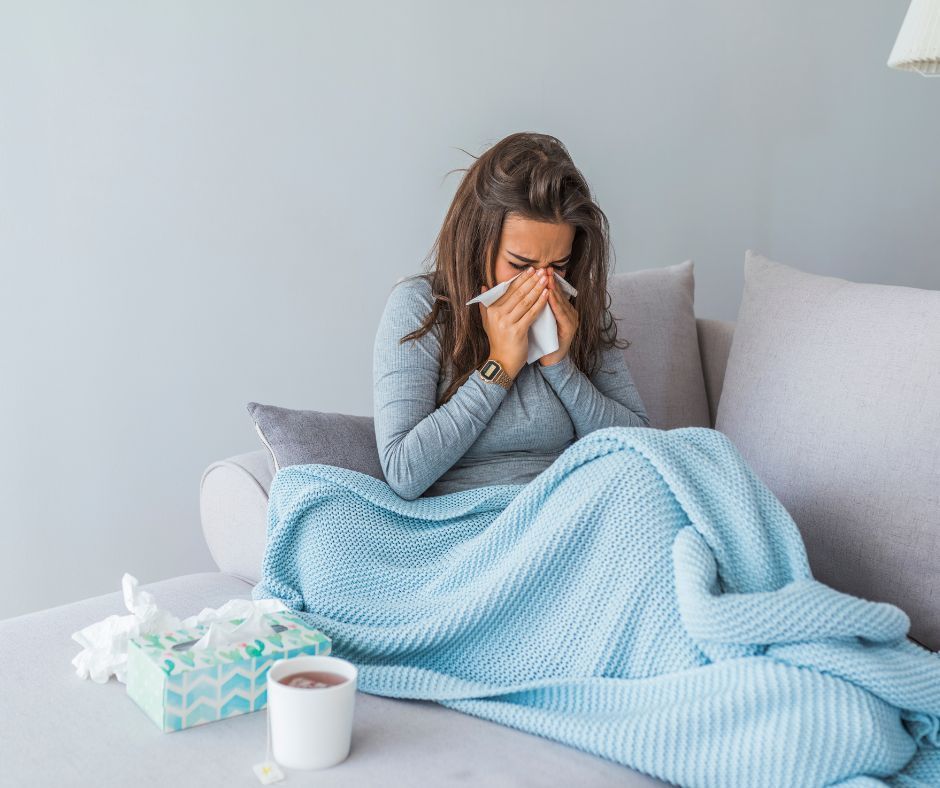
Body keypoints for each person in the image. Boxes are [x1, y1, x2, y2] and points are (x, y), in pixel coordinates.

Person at [373, 131, 650, 501]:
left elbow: (642, 446)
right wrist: (499, 366)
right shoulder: (421, 306)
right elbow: (404, 472)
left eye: (559, 265)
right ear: (476, 243)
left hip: (573, 504)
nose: (540, 283)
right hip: (474, 519)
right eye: (520, 264)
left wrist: (560, 366)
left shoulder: (576, 310)